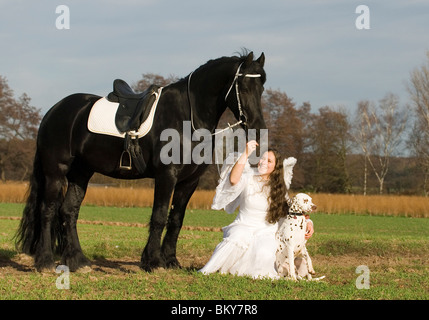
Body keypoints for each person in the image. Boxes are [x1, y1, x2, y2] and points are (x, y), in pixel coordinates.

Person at [199, 140, 314, 279]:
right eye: (262, 158)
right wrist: (246, 153)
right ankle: (211, 270)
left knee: (264, 252)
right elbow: (233, 180)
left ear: (275, 167)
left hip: (266, 230)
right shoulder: (248, 177)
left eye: (269, 161)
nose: (264, 162)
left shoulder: (278, 188)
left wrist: (309, 222)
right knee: (237, 239)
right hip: (243, 225)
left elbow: (291, 211)